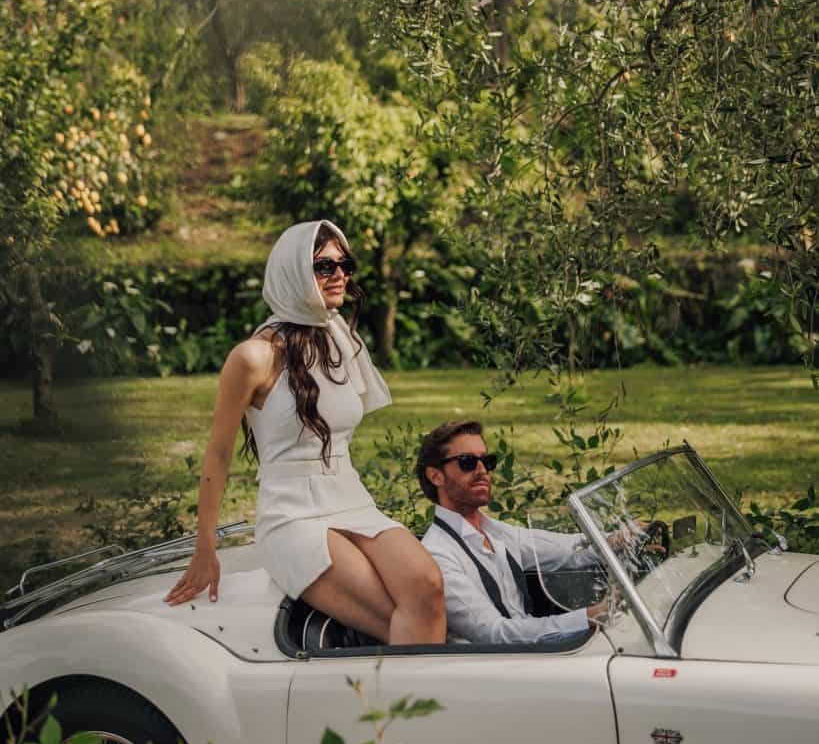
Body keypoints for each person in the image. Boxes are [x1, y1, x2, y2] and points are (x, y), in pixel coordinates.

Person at [165, 219, 446, 645]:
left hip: (352, 499)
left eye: (344, 265)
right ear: (292, 271)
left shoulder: (340, 342)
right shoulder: (253, 357)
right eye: (324, 266)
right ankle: (405, 708)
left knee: (428, 587)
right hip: (292, 514)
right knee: (395, 617)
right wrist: (205, 548)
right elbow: (218, 454)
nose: (339, 276)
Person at [418, 420, 613, 646]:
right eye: (468, 462)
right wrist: (589, 616)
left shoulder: (494, 531)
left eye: (487, 461)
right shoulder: (438, 554)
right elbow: (493, 634)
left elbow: (571, 550)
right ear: (436, 476)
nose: (482, 471)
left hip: (529, 655)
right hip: (490, 668)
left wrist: (620, 540)